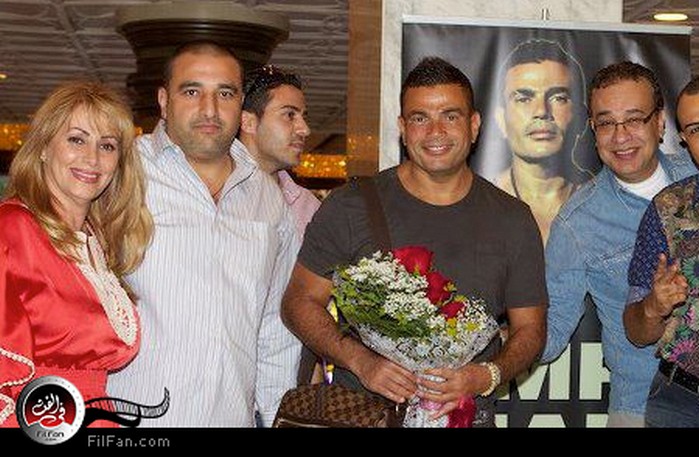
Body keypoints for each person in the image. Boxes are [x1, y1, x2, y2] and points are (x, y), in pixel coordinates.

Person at [281, 56, 548, 427]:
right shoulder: (350, 206)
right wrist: (361, 362)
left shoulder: (512, 219)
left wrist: (483, 376)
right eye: (420, 118)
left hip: (467, 417)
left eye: (450, 116)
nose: (435, 131)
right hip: (362, 416)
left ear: (473, 125)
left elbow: (531, 330)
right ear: (403, 129)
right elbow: (298, 302)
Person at [107, 41, 301, 427]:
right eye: (192, 91)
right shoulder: (122, 173)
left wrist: (275, 418)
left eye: (224, 93)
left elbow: (275, 332)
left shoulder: (268, 199)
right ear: (164, 101)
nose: (209, 109)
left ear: (241, 104)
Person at [542, 61, 696, 427]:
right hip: (641, 405)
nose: (620, 136)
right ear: (593, 130)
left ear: (660, 123)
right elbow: (551, 330)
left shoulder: (693, 174)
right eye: (606, 123)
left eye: (634, 119)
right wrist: (480, 342)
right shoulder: (576, 224)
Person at [0, 81, 153, 427]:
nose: (92, 158)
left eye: (107, 145)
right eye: (76, 139)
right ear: (43, 147)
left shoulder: (96, 242)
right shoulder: (11, 228)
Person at [623, 75, 699, 427]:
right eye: (696, 129)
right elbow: (636, 331)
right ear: (684, 139)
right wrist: (654, 306)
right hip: (681, 403)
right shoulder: (668, 208)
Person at [238, 64, 321, 385]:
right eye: (289, 115)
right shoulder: (214, 196)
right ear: (248, 121)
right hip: (223, 383)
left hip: (288, 386)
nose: (304, 129)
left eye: (303, 116)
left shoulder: (308, 208)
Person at [493, 39, 591, 244]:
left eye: (559, 98)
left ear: (582, 117)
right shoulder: (479, 204)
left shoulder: (606, 203)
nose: (541, 111)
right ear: (501, 120)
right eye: (523, 99)